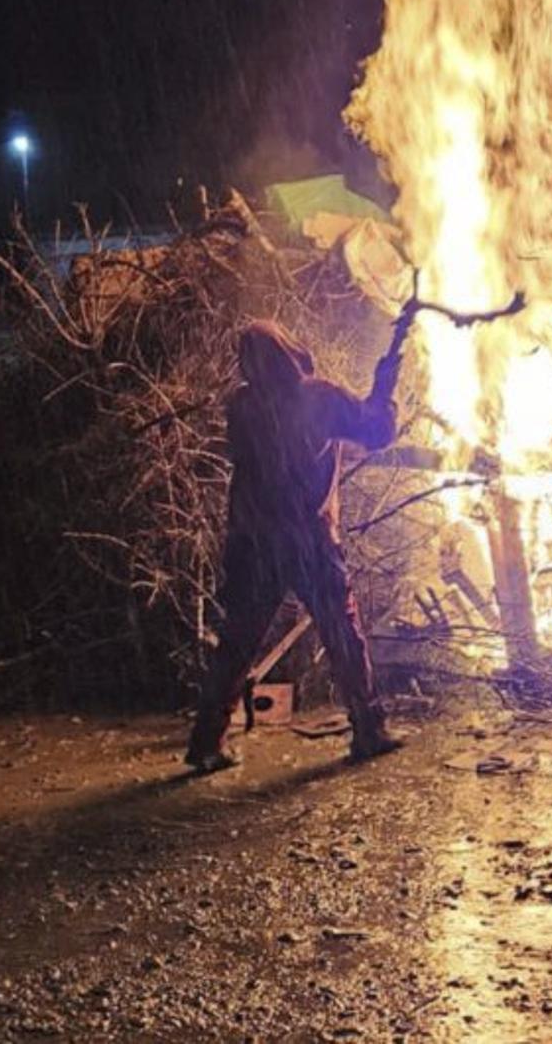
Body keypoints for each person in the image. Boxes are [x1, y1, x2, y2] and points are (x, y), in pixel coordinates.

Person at [185, 300, 417, 771]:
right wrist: (385, 382)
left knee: (238, 641)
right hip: (307, 541)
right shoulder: (318, 397)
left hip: (254, 543)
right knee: (343, 633)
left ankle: (206, 744)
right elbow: (376, 431)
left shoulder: (241, 406)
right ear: (290, 352)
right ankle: (369, 731)